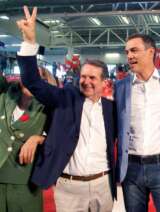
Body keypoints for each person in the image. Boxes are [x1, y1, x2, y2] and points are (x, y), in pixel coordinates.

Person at [16, 6, 116, 212]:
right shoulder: (65, 98)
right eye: (83, 76)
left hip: (103, 185)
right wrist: (29, 42)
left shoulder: (111, 109)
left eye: (92, 78)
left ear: (104, 82)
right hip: (69, 188)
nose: (86, 81)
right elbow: (33, 82)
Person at [114, 34, 160, 212]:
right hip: (131, 168)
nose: (129, 55)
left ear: (150, 52)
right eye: (127, 52)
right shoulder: (121, 86)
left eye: (134, 50)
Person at [0, 67, 56, 212]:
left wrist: (38, 138)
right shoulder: (5, 98)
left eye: (37, 78)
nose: (31, 81)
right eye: (28, 75)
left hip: (25, 184)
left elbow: (59, 140)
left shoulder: (48, 108)